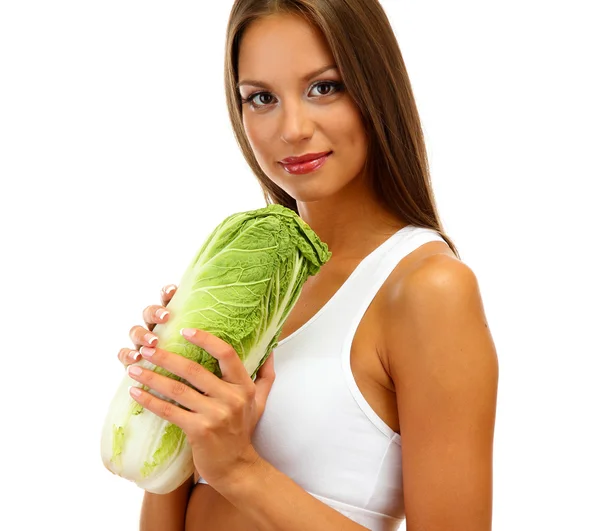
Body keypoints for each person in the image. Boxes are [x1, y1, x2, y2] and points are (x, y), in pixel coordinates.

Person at [117, 1, 499, 529]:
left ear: (375, 89)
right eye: (261, 98)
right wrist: (172, 407)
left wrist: (240, 469)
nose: (291, 129)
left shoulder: (428, 289)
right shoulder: (258, 277)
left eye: (325, 87)